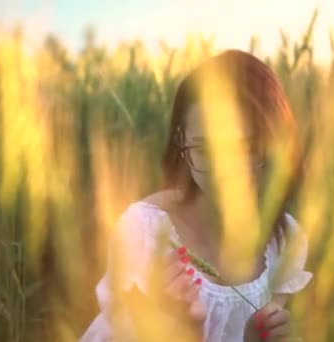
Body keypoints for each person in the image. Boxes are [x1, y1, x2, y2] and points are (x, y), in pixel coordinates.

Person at [81, 50, 313, 342]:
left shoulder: (285, 241)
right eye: (205, 150)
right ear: (181, 140)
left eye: (245, 150)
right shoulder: (145, 233)